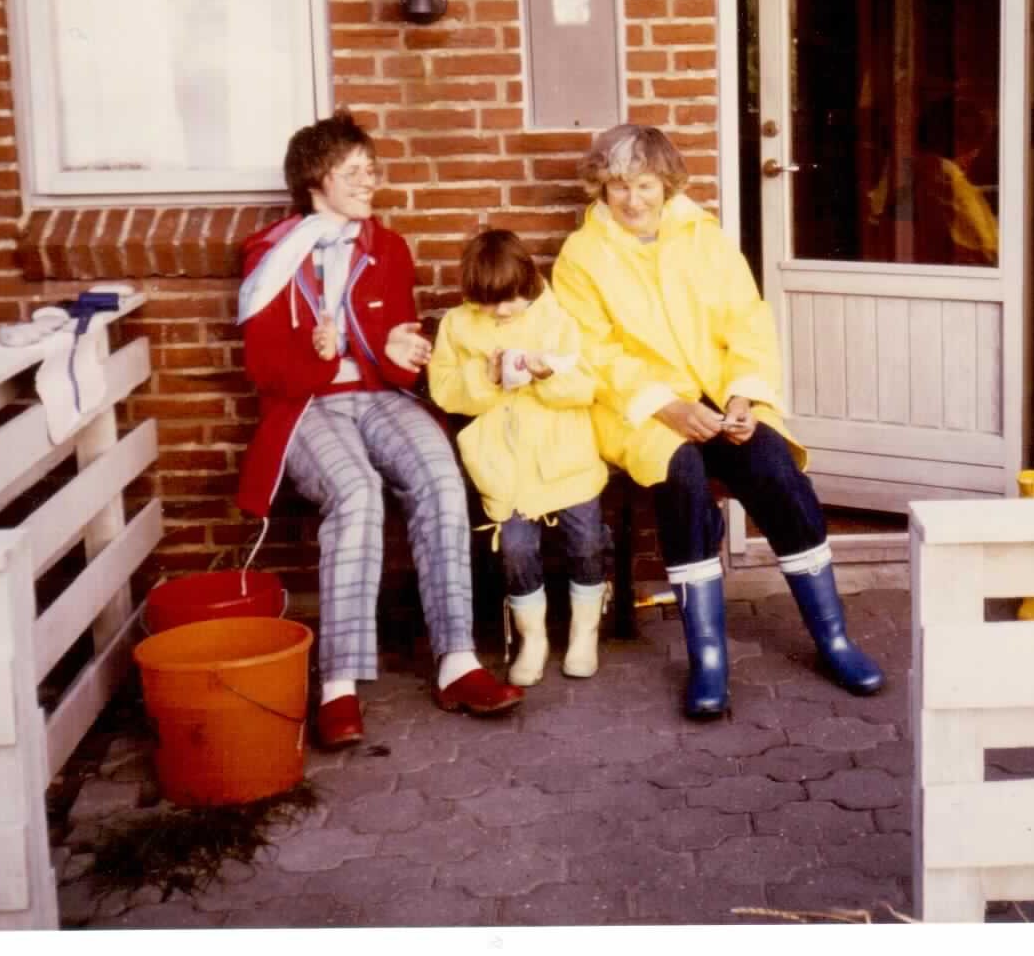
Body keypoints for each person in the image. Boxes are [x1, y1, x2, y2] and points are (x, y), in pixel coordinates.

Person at [551, 123, 884, 719]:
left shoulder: (704, 236)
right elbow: (595, 353)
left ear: (667, 183)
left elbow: (747, 321)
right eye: (619, 185)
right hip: (643, 409)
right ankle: (709, 659)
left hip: (720, 396)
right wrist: (668, 407)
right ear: (600, 187)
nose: (633, 200)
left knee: (774, 467)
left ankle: (833, 639)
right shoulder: (582, 256)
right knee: (681, 477)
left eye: (645, 184)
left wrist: (742, 398)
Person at [235, 111, 523, 750]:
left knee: (441, 476)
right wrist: (315, 352)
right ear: (317, 178)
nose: (371, 181)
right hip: (306, 408)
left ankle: (457, 662)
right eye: (355, 171)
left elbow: (395, 351)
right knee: (357, 493)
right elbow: (264, 370)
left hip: (376, 396)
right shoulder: (270, 255)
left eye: (372, 169)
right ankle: (337, 686)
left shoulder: (387, 248)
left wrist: (399, 347)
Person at [429, 229, 612, 686]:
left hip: (565, 455)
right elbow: (446, 391)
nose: (502, 312)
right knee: (514, 547)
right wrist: (486, 376)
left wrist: (548, 374)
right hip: (503, 465)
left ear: (527, 283)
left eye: (510, 300)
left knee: (586, 538)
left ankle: (584, 631)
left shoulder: (556, 318)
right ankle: (533, 638)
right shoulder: (457, 325)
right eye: (490, 303)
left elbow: (587, 385)